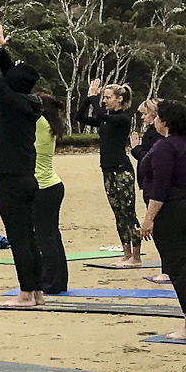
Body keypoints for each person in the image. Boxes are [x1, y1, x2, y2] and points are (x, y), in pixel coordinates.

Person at [138, 98, 186, 340]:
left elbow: (160, 186)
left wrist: (149, 218)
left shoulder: (165, 147)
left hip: (174, 211)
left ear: (164, 121)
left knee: (181, 268)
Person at [0, 24, 46, 308]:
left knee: (18, 238)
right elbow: (8, 77)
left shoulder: (12, 103)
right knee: (28, 236)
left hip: (11, 180)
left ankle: (26, 293)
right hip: (27, 178)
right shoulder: (29, 102)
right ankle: (37, 291)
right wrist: (3, 51)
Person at [77, 79, 142, 265]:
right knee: (118, 213)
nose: (104, 101)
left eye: (107, 97)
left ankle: (136, 256)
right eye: (103, 97)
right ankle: (126, 253)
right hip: (107, 170)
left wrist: (93, 98)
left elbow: (101, 115)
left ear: (119, 99)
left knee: (128, 213)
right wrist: (88, 97)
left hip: (122, 171)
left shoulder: (122, 119)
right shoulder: (105, 120)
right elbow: (80, 117)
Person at [33, 93, 70, 297]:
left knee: (44, 237)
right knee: (52, 234)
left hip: (43, 188)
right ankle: (59, 280)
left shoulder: (40, 124)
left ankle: (50, 282)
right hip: (52, 186)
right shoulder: (49, 125)